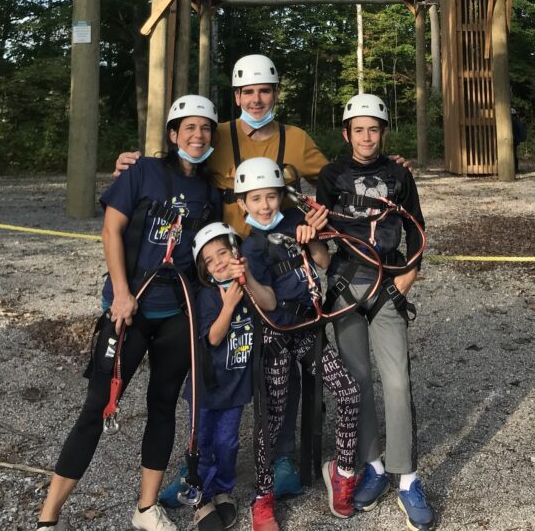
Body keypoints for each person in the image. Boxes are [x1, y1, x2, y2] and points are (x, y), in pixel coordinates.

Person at [120, 54, 329, 501]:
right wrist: (136, 168)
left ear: (276, 93)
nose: (256, 99)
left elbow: (331, 181)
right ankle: (196, 465)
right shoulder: (214, 134)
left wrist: (388, 169)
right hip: (220, 270)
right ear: (236, 96)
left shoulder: (297, 140)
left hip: (272, 271)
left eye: (265, 91)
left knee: (279, 365)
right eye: (247, 92)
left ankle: (282, 455)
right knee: (210, 366)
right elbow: (181, 162)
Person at [37, 95, 221, 531]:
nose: (198, 136)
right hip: (131, 306)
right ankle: (48, 517)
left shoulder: (209, 191)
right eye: (188, 128)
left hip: (178, 312)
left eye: (206, 128)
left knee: (162, 407)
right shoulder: (142, 172)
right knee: (98, 408)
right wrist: (121, 293)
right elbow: (111, 229)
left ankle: (145, 507)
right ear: (173, 134)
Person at [316, 93, 434, 531]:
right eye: (358, 130)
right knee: (358, 379)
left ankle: (407, 478)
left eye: (374, 129)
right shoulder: (331, 176)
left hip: (389, 284)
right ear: (346, 134)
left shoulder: (399, 174)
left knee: (398, 381)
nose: (367, 137)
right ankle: (374, 466)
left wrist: (410, 275)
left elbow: (417, 226)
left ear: (384, 133)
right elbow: (321, 231)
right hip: (346, 284)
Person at [232, 157, 361, 531]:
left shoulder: (292, 222)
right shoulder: (249, 247)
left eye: (270, 197)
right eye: (255, 199)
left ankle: (343, 472)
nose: (265, 206)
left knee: (348, 392)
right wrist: (246, 282)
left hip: (307, 329)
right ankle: (263, 496)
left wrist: (312, 238)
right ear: (243, 203)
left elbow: (320, 262)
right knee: (270, 416)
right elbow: (268, 303)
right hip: (275, 334)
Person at [189, 222, 254, 531]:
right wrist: (228, 306)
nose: (218, 263)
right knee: (201, 442)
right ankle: (200, 495)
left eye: (223, 253)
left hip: (236, 386)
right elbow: (213, 338)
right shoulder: (208, 296)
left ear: (236, 253)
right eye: (209, 260)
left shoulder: (249, 287)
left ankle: (223, 489)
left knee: (227, 443)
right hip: (206, 387)